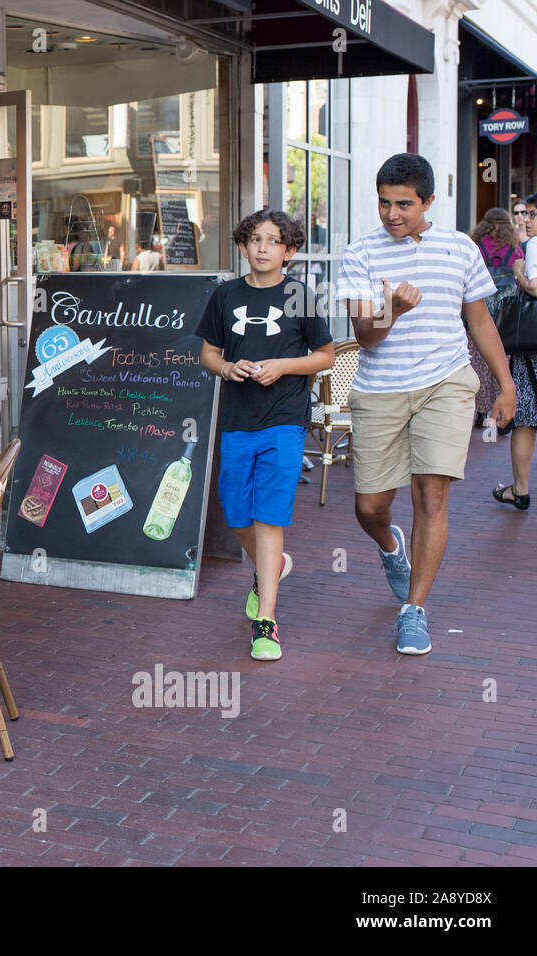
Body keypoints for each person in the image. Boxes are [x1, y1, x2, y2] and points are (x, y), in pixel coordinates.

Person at [338, 153, 515, 656]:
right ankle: (392, 548)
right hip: (381, 388)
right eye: (384, 203)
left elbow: (479, 321)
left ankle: (413, 611)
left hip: (446, 381)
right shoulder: (359, 254)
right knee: (369, 505)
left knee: (431, 496)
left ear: (429, 201)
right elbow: (365, 339)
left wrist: (504, 383)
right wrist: (391, 309)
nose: (392, 214)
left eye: (404, 205)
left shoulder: (459, 249)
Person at [196, 209, 335, 662]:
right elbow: (208, 354)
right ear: (242, 245)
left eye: (273, 241)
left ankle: (267, 622)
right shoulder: (225, 296)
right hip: (237, 420)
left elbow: (326, 355)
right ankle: (270, 567)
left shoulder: (301, 296)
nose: (262, 248)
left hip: (285, 419)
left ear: (288, 251)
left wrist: (283, 367)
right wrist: (226, 367)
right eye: (254, 239)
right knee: (237, 513)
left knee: (268, 515)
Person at [493, 190, 537, 510]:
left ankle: (520, 488)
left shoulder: (536, 245)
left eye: (532, 214)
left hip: (533, 348)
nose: (525, 219)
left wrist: (520, 271)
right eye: (523, 213)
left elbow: (536, 287)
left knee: (524, 417)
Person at [467, 207, 523, 425]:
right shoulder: (514, 248)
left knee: (479, 360)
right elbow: (519, 276)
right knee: (502, 360)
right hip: (505, 314)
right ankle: (499, 409)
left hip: (479, 311)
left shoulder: (476, 246)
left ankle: (481, 411)